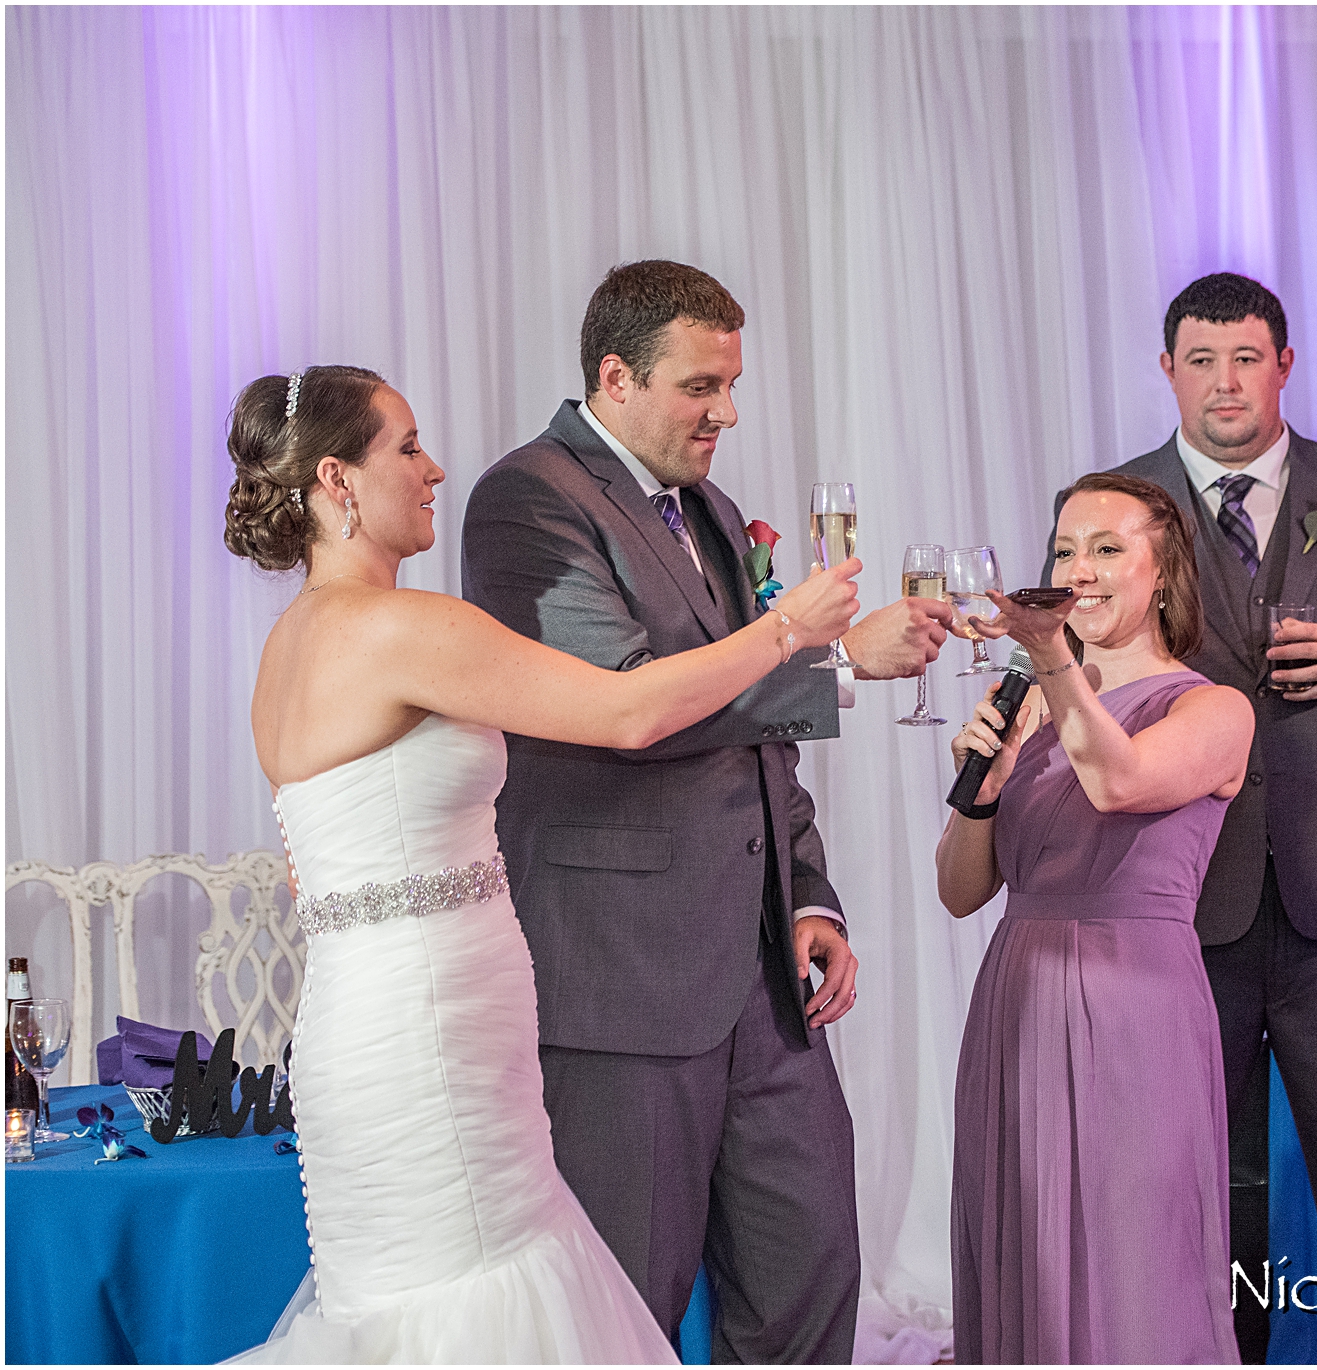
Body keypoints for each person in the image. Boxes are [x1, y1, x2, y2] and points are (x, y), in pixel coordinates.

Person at [221, 364, 859, 1361]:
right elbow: (630, 709)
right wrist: (790, 629)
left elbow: (317, 866)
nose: (433, 467)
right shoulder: (404, 629)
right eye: (406, 446)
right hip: (432, 1032)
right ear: (338, 481)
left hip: (369, 1015)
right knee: (480, 1301)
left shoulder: (287, 647)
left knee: (417, 1300)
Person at [460, 260, 949, 1362]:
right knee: (622, 1304)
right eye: (700, 387)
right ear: (615, 375)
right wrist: (837, 662)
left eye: (731, 384)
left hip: (763, 974)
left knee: (811, 1273)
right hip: (621, 982)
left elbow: (755, 739)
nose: (726, 411)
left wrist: (808, 890)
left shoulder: (711, 509)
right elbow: (623, 705)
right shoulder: (526, 499)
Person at [1050, 272, 1317, 1362]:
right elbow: (1068, 641)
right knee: (1201, 1180)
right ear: (1166, 371)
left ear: (1283, 365)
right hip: (1179, 894)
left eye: (1245, 358)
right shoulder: (1118, 503)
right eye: (1199, 360)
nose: (1224, 382)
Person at [938, 473, 1256, 1364]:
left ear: (1164, 573)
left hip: (1136, 1006)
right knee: (1025, 1245)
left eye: (1109, 548)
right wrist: (982, 799)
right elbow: (959, 891)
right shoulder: (1032, 705)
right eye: (1067, 549)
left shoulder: (1213, 709)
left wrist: (1051, 661)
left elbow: (1118, 782)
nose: (1081, 568)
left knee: (1133, 1254)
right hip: (1020, 998)